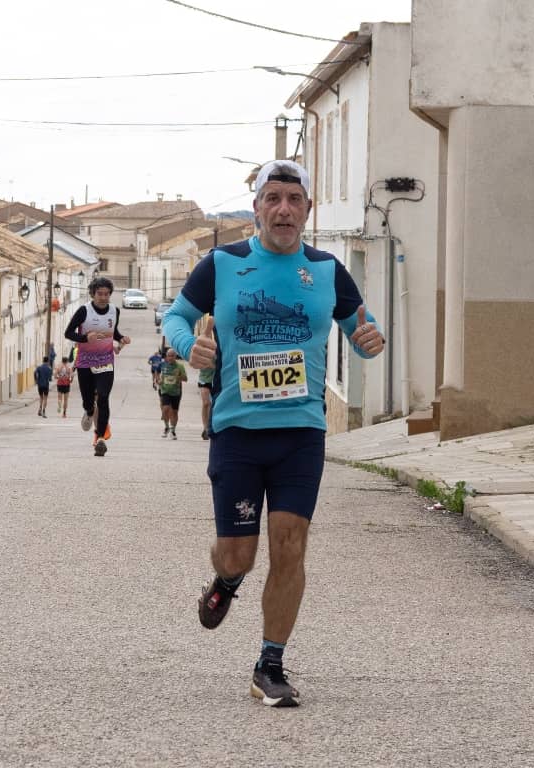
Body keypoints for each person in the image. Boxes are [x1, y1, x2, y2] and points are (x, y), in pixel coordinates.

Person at [164, 159, 385, 708]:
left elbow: (361, 328)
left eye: (294, 199)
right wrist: (190, 347)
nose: (283, 209)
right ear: (257, 208)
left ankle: (270, 664)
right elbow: (175, 317)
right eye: (273, 199)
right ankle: (226, 582)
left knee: (290, 546)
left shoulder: (328, 271)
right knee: (237, 554)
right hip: (237, 431)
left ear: (307, 210)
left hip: (301, 433)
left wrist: (369, 341)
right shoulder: (223, 264)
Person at [64, 276, 131, 457]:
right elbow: (68, 333)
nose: (103, 297)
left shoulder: (115, 311)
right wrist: (85, 338)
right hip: (85, 363)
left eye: (106, 294)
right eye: (99, 294)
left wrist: (121, 338)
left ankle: (100, 438)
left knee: (103, 397)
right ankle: (88, 411)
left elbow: (113, 332)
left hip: (105, 362)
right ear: (93, 294)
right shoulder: (83, 311)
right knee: (89, 401)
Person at [157, 347, 188, 439]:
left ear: (175, 356)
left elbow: (185, 379)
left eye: (172, 356)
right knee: (165, 409)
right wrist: (158, 381)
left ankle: (172, 430)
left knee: (174, 412)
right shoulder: (163, 365)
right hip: (165, 391)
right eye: (168, 356)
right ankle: (166, 427)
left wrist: (178, 376)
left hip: (176, 392)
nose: (170, 358)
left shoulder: (180, 366)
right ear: (166, 356)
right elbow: (158, 374)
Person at [198, 365, 214, 440]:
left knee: (213, 404)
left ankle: (211, 425)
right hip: (204, 379)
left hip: (216, 380)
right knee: (206, 403)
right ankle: (205, 428)